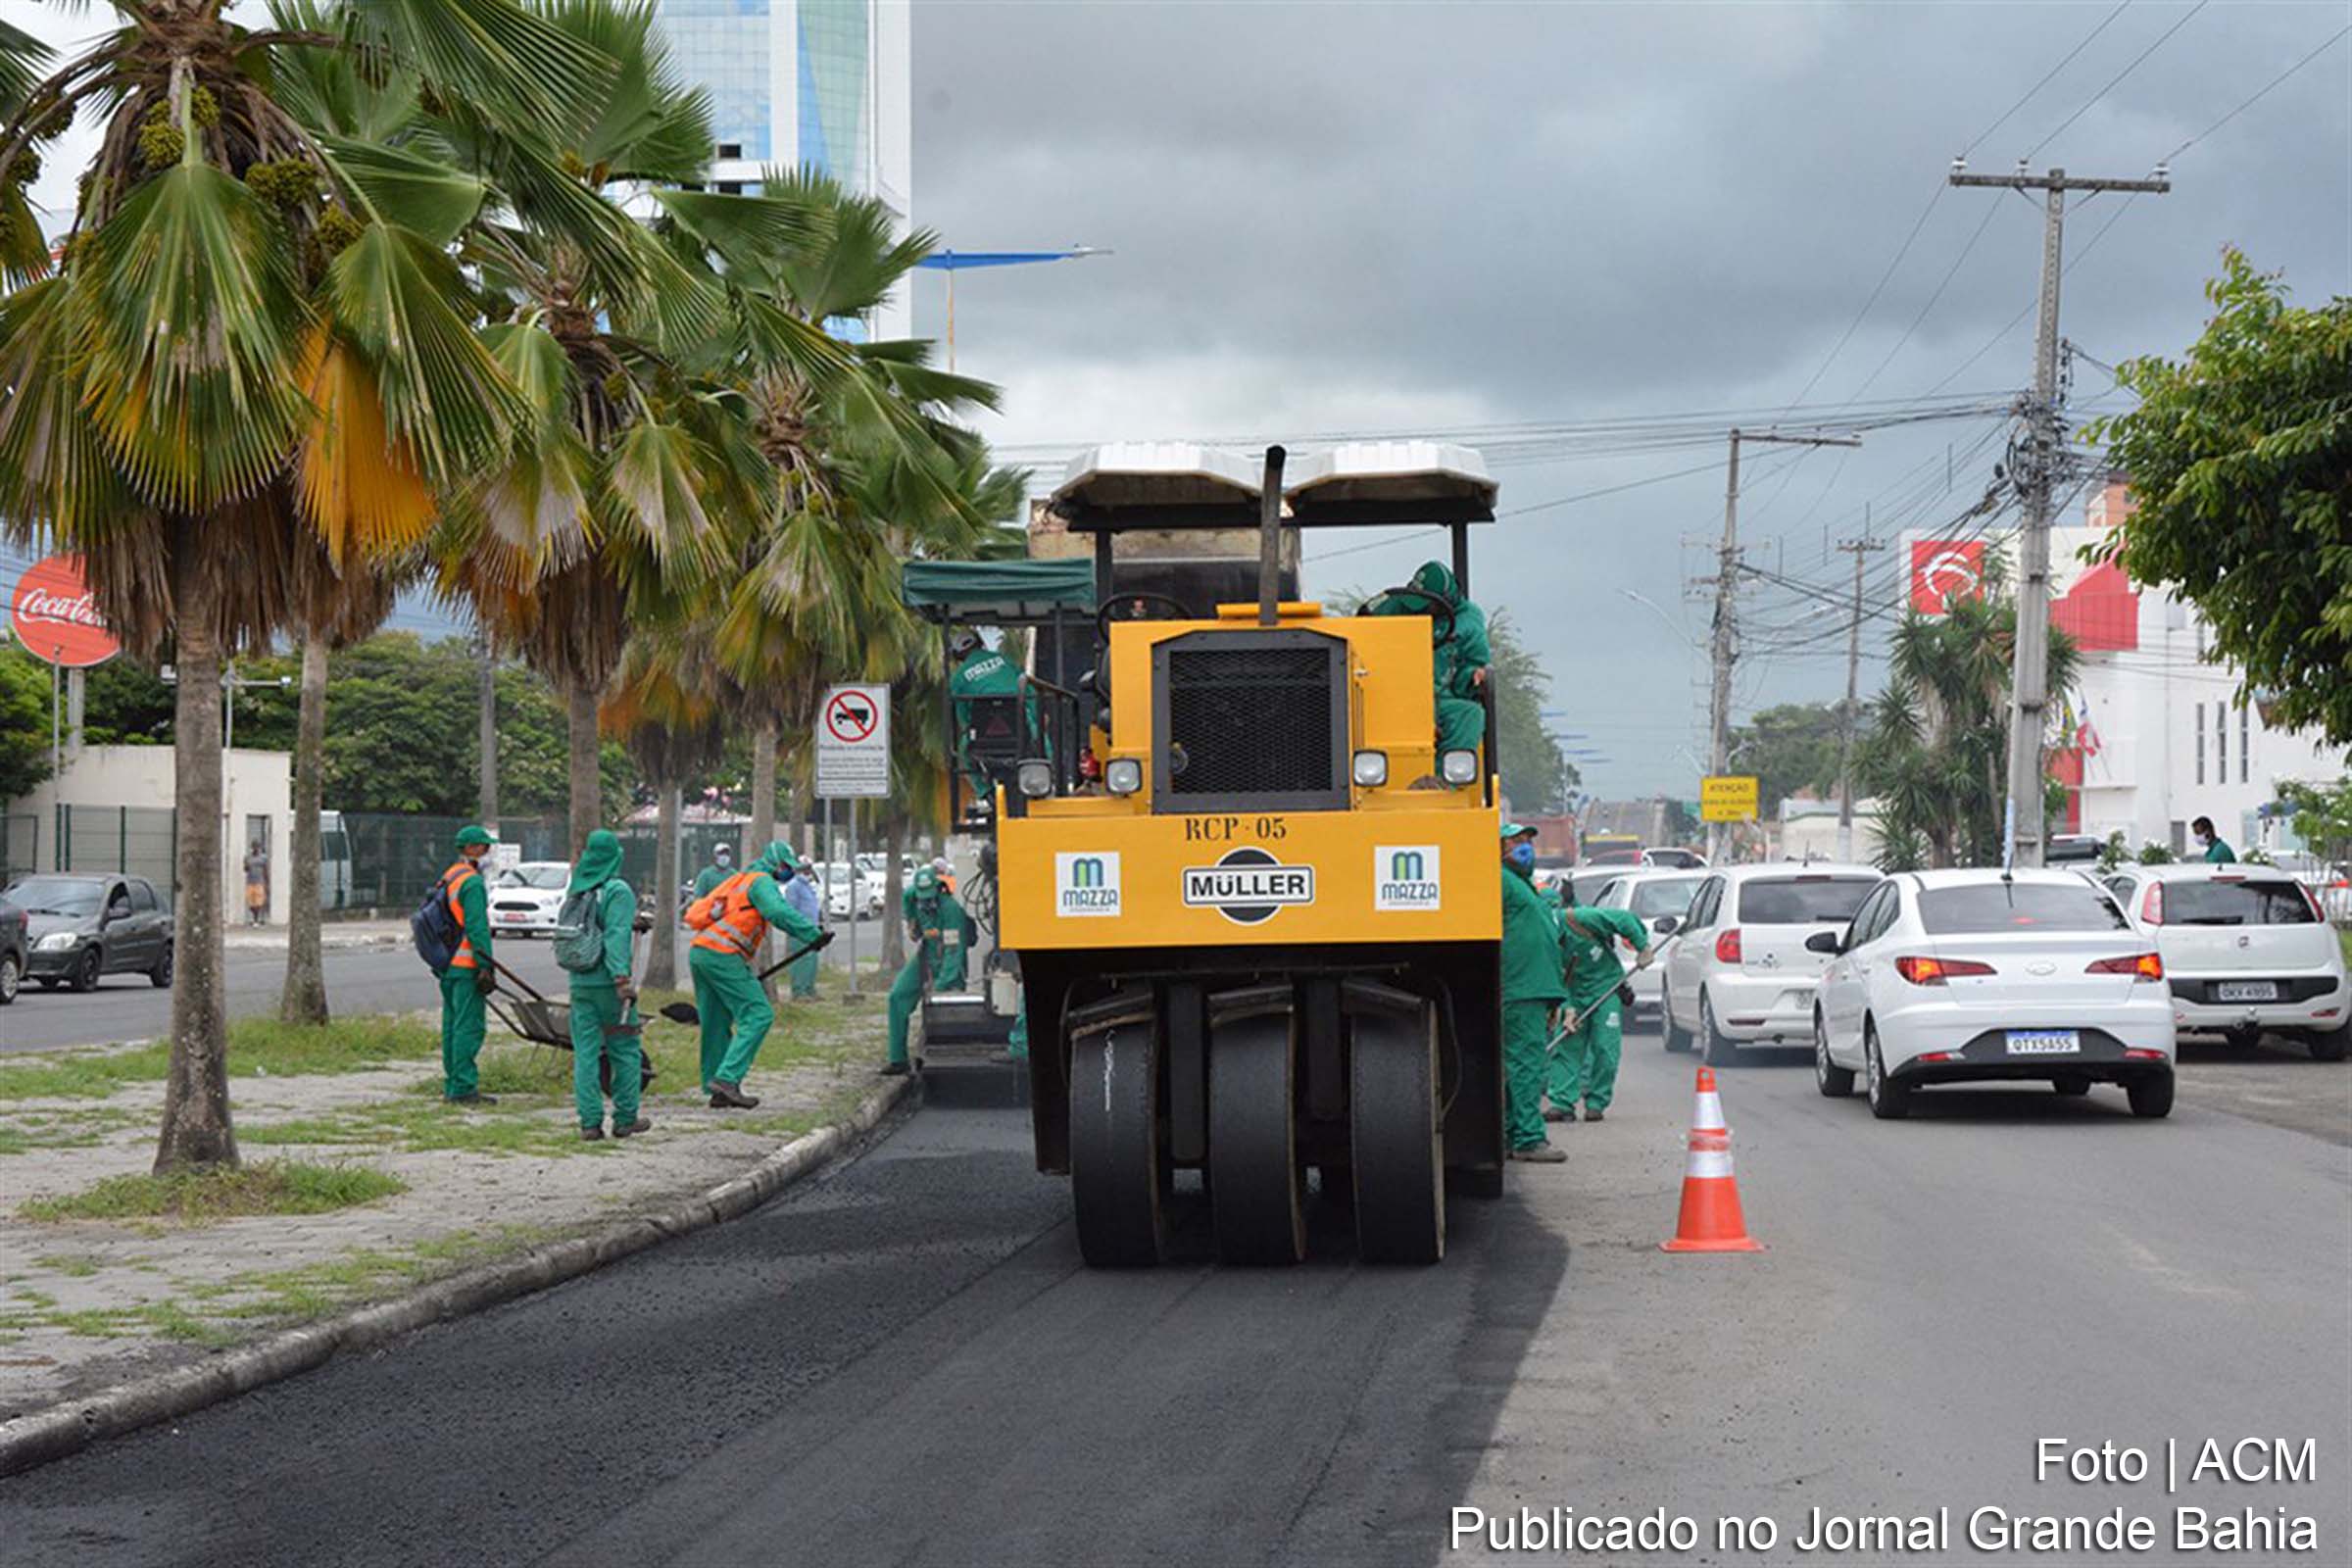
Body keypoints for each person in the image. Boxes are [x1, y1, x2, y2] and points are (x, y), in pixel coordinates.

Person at [684, 841, 828, 1107]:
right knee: (758, 1013)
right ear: (775, 863)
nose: (789, 872)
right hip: (722, 954)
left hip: (701, 952)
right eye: (786, 867)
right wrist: (811, 934)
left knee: (715, 1022)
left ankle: (716, 1090)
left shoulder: (740, 879)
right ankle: (727, 1079)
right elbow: (777, 911)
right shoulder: (762, 882)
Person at [565, 829, 648, 1141]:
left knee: (585, 1052)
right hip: (610, 987)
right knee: (625, 1049)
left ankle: (589, 1123)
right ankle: (626, 1118)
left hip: (580, 982)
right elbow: (614, 934)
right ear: (615, 856)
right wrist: (621, 979)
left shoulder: (577, 889)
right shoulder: (618, 890)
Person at [1367, 561, 1492, 757]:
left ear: (1445, 601)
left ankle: (1447, 780)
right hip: (1385, 692)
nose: (1416, 609)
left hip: (1439, 697)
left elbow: (1472, 665)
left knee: (1469, 714)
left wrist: (1472, 676)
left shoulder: (1469, 621)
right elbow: (1362, 626)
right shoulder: (1397, 604)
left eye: (1426, 606)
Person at [1548, 902, 1656, 1123]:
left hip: (1605, 989)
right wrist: (1566, 1008)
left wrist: (1642, 946)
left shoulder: (1581, 918)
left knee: (1605, 1048)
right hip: (1574, 993)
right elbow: (1554, 979)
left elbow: (1625, 920)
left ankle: (1596, 1102)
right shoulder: (1545, 946)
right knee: (1567, 1047)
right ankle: (1562, 1104)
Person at [1497, 821, 1568, 1163]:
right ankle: (1528, 1138)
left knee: (1521, 1065)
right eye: (1516, 841)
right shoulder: (1501, 881)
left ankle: (1514, 1132)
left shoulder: (1523, 885)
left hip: (1535, 988)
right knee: (1526, 1066)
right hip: (1519, 987)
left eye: (1528, 841)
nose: (1525, 847)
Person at [884, 864, 968, 1078]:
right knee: (897, 996)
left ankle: (955, 1063)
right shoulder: (913, 897)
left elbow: (954, 952)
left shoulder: (951, 910)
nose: (925, 902)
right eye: (921, 897)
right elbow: (908, 901)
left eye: (928, 896)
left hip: (948, 959)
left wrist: (940, 988)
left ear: (937, 889)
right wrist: (912, 922)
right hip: (926, 954)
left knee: (946, 1009)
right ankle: (898, 1059)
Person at [437, 824, 499, 1105]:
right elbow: (477, 927)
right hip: (466, 964)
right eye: (484, 846)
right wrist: (485, 964)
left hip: (447, 963)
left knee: (452, 1025)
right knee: (469, 1026)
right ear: (472, 848)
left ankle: (453, 1084)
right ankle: (463, 1087)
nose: (487, 851)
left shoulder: (450, 875)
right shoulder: (472, 882)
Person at [948, 629, 1025, 804]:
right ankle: (1049, 772)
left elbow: (963, 716)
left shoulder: (958, 678)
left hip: (983, 735)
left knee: (963, 753)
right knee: (1039, 736)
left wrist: (971, 731)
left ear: (958, 655)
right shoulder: (1005, 661)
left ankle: (985, 792)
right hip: (1020, 724)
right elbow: (1029, 691)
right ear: (980, 643)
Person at [782, 859, 823, 1000]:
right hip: (799, 931)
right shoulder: (794, 886)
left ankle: (809, 989)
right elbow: (790, 910)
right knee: (801, 960)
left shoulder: (808, 886)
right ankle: (799, 991)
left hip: (812, 929)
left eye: (809, 869)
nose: (808, 872)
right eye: (805, 869)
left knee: (812, 960)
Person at [243, 842, 270, 926]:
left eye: (257, 847)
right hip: (250, 881)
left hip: (259, 881)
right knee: (251, 902)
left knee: (259, 901)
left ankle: (256, 919)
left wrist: (267, 881)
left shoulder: (263, 858)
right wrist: (246, 866)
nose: (255, 849)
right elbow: (245, 869)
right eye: (254, 847)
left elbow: (265, 869)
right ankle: (255, 918)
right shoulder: (248, 858)